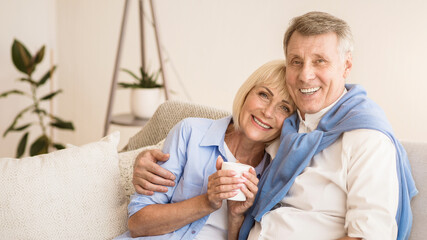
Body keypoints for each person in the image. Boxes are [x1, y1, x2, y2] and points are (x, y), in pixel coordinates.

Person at [132, 12, 417, 240]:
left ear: (346, 66)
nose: (306, 75)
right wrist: (141, 157)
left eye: (320, 61)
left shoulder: (366, 139)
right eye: (296, 61)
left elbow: (370, 235)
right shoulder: (286, 133)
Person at [117, 60, 295, 240]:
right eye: (264, 95)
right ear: (247, 93)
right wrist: (207, 201)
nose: (268, 112)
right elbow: (138, 225)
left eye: (284, 108)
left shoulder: (274, 175)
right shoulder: (190, 133)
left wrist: (235, 216)